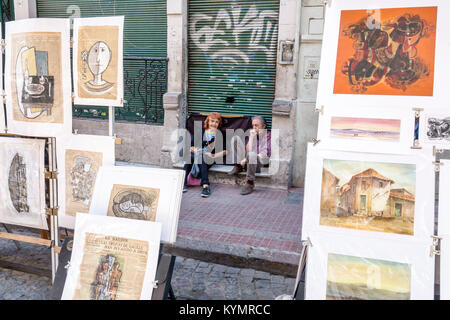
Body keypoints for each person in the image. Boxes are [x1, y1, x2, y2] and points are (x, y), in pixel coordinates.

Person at [183, 112, 227, 197]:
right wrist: (195, 150)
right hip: (197, 156)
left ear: (219, 123)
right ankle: (183, 183)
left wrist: (213, 155)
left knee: (203, 158)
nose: (214, 124)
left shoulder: (220, 134)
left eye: (216, 122)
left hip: (210, 158)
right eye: (212, 121)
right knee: (189, 157)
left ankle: (205, 186)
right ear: (208, 122)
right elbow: (190, 147)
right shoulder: (201, 131)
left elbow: (226, 151)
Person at [228, 115, 271, 195]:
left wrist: (245, 159)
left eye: (256, 125)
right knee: (235, 139)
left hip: (259, 165)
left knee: (252, 155)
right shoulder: (253, 134)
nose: (254, 128)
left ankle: (249, 183)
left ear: (264, 126)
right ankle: (239, 166)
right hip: (248, 161)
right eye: (253, 125)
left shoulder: (268, 136)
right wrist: (251, 137)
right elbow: (248, 151)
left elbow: (263, 155)